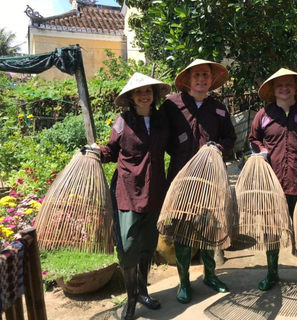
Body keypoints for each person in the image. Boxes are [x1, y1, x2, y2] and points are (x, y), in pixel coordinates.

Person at [91, 72, 171, 320]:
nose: (144, 95)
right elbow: (112, 151)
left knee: (147, 246)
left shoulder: (161, 120)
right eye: (139, 92)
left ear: (153, 95)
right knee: (126, 247)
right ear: (131, 98)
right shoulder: (122, 122)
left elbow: (176, 146)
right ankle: (131, 298)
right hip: (127, 190)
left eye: (148, 91)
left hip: (155, 189)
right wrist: (95, 152)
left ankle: (144, 291)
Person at [160, 58, 237, 304]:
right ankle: (183, 282)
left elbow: (230, 137)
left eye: (206, 75)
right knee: (182, 231)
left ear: (211, 80)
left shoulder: (219, 108)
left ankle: (210, 275)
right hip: (181, 177)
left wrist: (219, 147)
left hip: (209, 179)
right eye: (197, 76)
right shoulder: (172, 105)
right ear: (188, 80)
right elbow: (159, 134)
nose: (202, 80)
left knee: (208, 228)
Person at [249, 68, 297, 295]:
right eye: (279, 85)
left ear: (296, 88)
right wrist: (261, 150)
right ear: (272, 90)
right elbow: (253, 138)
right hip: (272, 183)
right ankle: (272, 273)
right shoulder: (263, 114)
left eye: (288, 85)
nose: (284, 89)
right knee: (270, 230)